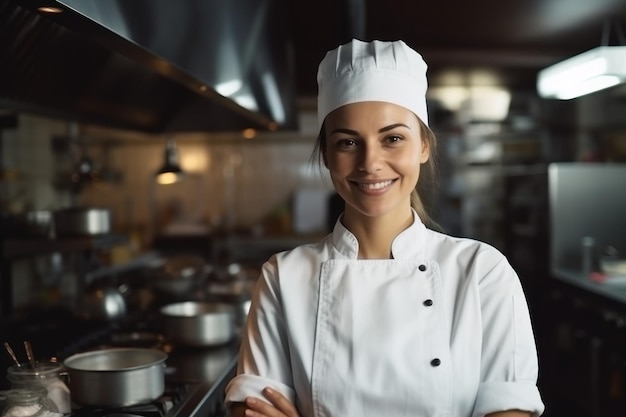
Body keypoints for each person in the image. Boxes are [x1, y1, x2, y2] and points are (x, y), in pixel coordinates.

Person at [225, 39, 545, 417]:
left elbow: (509, 407)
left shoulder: (481, 271)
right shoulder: (283, 277)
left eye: (393, 138)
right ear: (327, 154)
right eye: (347, 142)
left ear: (424, 145)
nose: (370, 163)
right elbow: (252, 409)